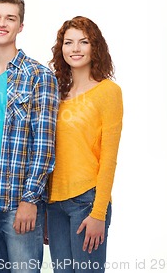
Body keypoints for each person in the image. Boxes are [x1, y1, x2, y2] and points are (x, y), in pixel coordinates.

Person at [0, 0, 59, 273]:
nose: (2, 23)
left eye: (10, 18)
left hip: (17, 202)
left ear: (20, 26)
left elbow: (44, 145)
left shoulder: (39, 76)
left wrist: (30, 199)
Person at [47, 16, 123, 273]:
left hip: (87, 202)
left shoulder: (108, 92)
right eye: (69, 43)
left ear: (95, 47)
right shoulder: (57, 94)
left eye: (83, 42)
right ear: (61, 49)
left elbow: (109, 157)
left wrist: (99, 213)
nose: (75, 49)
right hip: (54, 204)